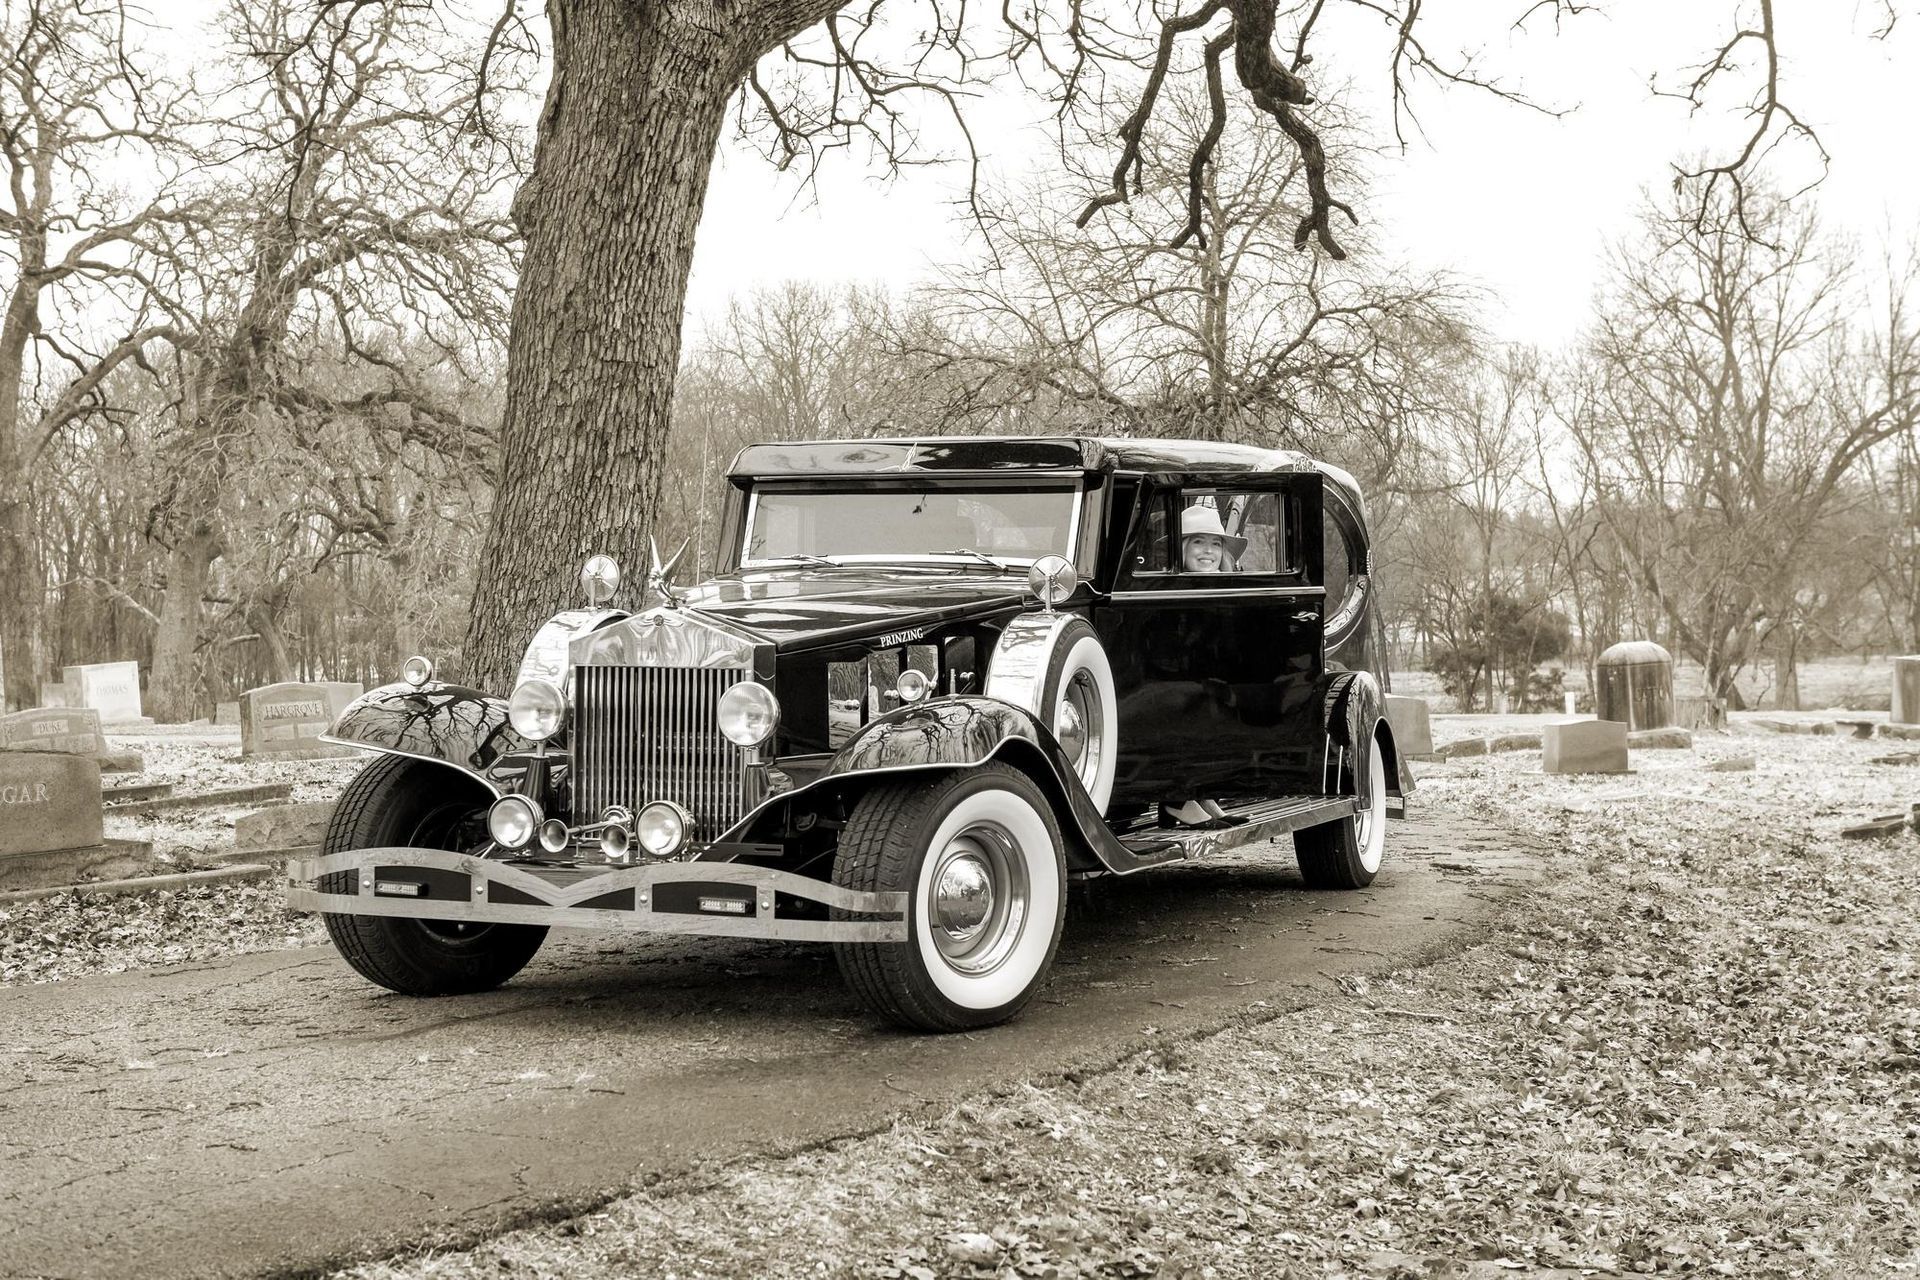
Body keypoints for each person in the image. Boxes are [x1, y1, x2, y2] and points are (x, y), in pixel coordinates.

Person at [1161, 501, 1251, 830]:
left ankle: (1202, 792)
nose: (1208, 551)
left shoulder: (1221, 586)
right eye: (1198, 541)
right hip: (1170, 680)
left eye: (1216, 543)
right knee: (1194, 703)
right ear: (1181, 548)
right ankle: (1177, 799)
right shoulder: (1168, 588)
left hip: (1207, 675)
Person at [1180, 503, 1247, 573]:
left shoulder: (1235, 583)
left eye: (1216, 544)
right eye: (1198, 542)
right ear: (1183, 548)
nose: (1209, 550)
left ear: (1223, 553)